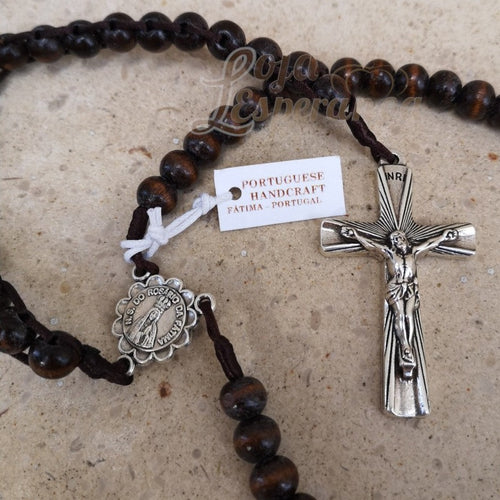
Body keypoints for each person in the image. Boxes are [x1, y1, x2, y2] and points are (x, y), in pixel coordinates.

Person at [340, 226, 458, 378]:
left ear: (405, 239)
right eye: (395, 239)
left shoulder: (414, 252)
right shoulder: (389, 253)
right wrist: (355, 235)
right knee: (400, 315)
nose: (398, 241)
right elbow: (371, 245)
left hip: (410, 287)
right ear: (392, 243)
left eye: (400, 237)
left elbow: (429, 244)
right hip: (395, 287)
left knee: (409, 315)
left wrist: (444, 237)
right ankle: (405, 346)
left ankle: (409, 345)